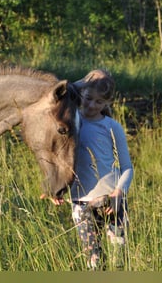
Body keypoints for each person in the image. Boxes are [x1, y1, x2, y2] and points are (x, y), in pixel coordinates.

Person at [42, 69, 134, 270]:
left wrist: (119, 192)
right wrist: (55, 187)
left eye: (99, 102)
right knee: (93, 262)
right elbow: (56, 157)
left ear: (107, 104)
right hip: (80, 203)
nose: (92, 105)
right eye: (89, 98)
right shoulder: (71, 123)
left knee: (119, 262)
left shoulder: (111, 126)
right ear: (81, 94)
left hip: (112, 201)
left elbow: (127, 167)